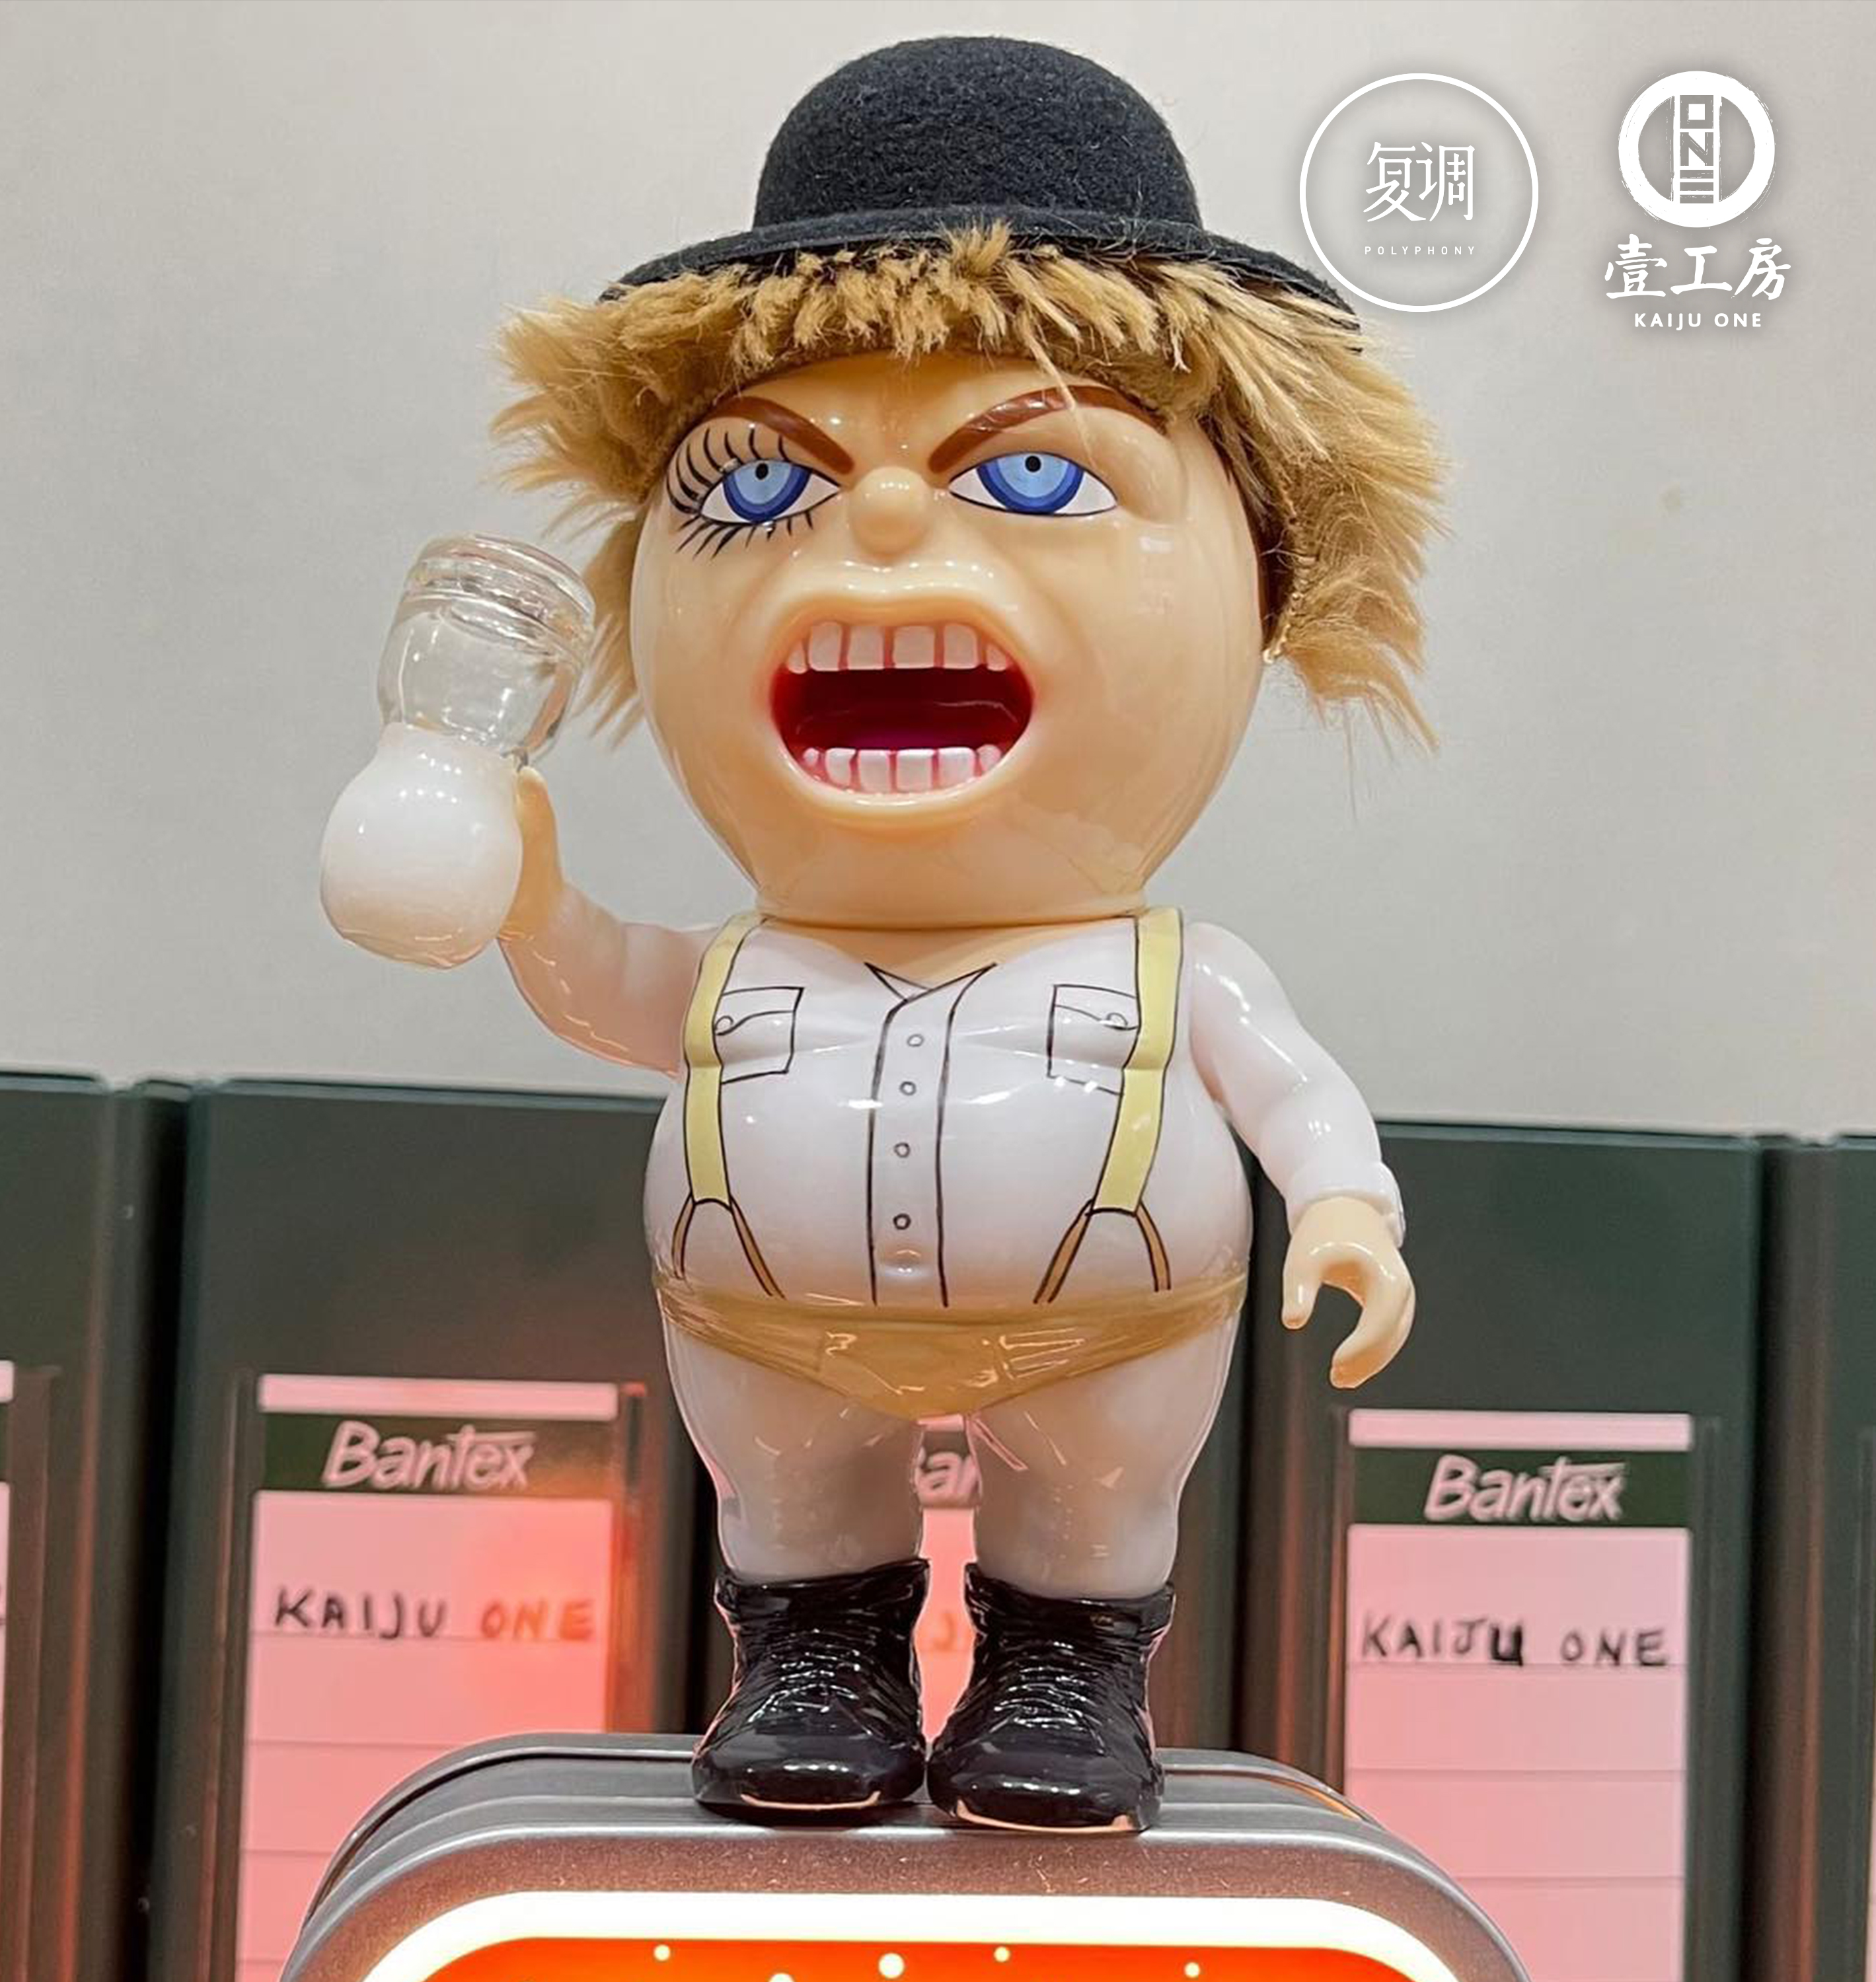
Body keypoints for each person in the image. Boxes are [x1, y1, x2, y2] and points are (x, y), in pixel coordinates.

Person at [488, 35, 1440, 1833]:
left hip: (1115, 1340)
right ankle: (815, 1659)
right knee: (792, 1504)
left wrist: (1347, 1209)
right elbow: (611, 990)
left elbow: (1297, 1094)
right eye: (760, 489)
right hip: (765, 1337)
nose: (882, 524)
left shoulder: (1184, 974)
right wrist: (529, 901)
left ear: (1266, 580)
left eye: (1036, 479)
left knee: (1091, 1513)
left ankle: (1065, 1672)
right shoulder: (740, 966)